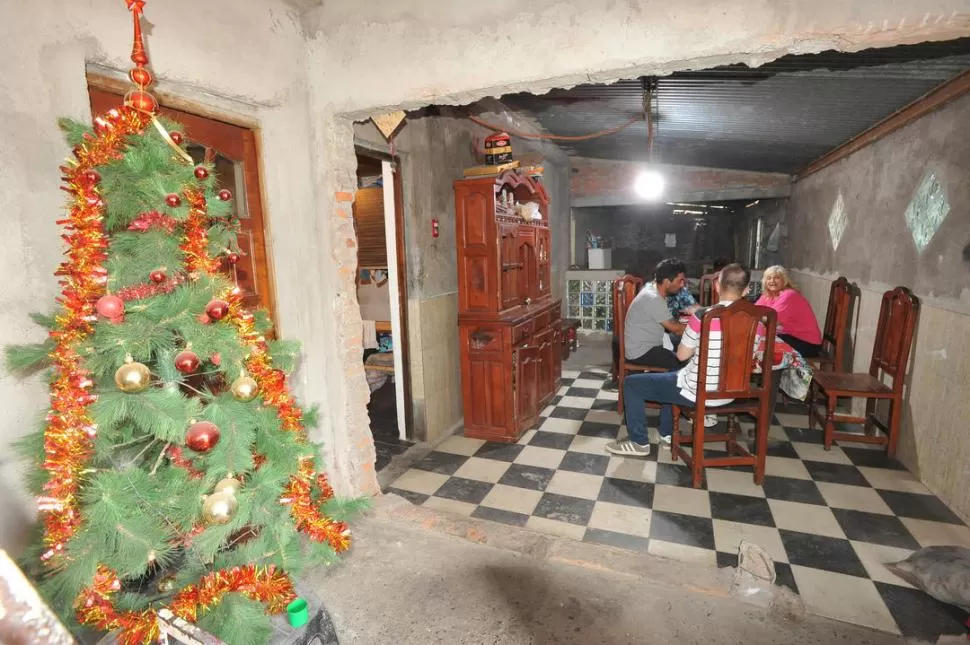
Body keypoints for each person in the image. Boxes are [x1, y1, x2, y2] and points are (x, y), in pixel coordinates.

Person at [606, 263, 752, 457]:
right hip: (733, 391)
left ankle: (640, 442)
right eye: (680, 280)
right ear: (747, 289)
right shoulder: (755, 319)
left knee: (640, 381)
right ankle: (666, 431)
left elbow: (683, 355)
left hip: (698, 390)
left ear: (717, 286)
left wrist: (695, 333)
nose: (683, 284)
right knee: (675, 366)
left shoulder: (702, 317)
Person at [610, 259, 689, 379]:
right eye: (680, 281)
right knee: (684, 363)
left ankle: (655, 384)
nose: (682, 284)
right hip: (641, 352)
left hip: (644, 346)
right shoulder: (653, 298)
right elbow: (676, 329)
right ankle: (662, 392)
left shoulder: (652, 290)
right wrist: (700, 324)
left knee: (679, 349)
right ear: (667, 281)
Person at [755, 265, 822, 357]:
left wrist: (756, 318)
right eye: (769, 278)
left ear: (784, 280)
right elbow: (753, 312)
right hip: (787, 336)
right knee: (759, 341)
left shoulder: (789, 295)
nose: (772, 281)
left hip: (806, 343)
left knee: (763, 345)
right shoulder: (767, 295)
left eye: (777, 278)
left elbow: (772, 320)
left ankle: (769, 370)